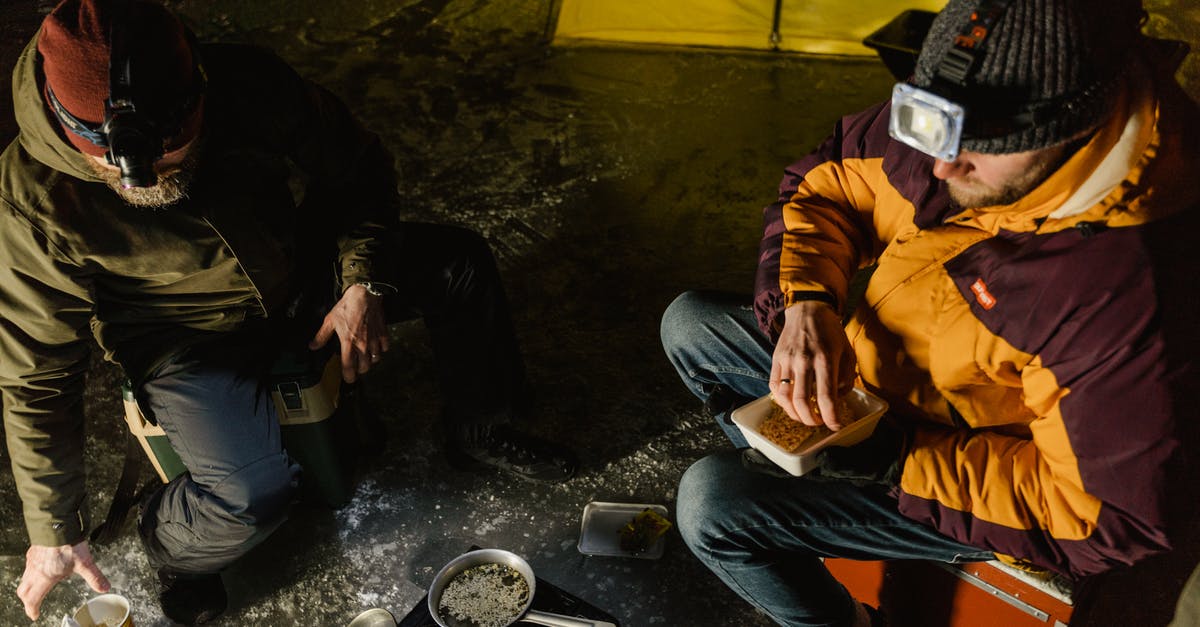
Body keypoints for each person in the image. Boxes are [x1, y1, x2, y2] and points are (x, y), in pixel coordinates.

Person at [0, 0, 577, 623]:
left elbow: (357, 166)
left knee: (457, 264)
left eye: (173, 152)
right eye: (116, 165)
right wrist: (54, 523)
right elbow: (36, 368)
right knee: (249, 497)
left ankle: (478, 428)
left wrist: (365, 282)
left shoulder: (245, 82)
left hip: (293, 270)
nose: (144, 180)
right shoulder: (32, 199)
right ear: (70, 130)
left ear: (197, 88)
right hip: (181, 338)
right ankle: (175, 548)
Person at [660, 0, 1199, 625]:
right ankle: (803, 495)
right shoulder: (963, 113)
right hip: (887, 380)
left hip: (971, 474)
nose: (942, 168)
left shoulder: (1130, 298)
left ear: (1072, 126)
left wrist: (896, 461)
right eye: (930, 131)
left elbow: (1103, 516)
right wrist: (809, 305)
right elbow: (830, 182)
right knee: (689, 324)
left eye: (976, 152)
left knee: (712, 504)